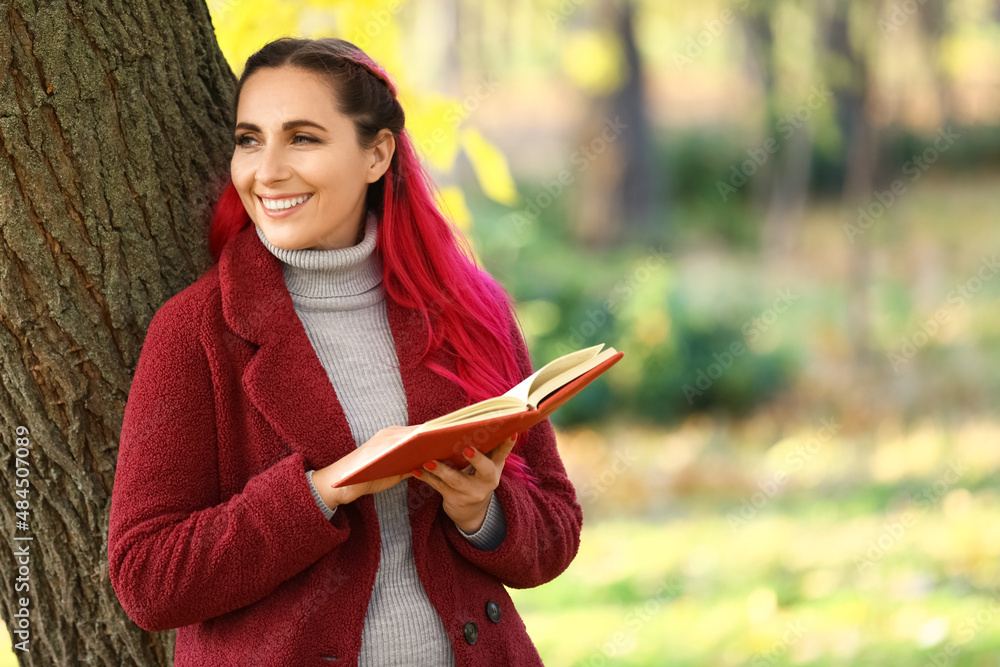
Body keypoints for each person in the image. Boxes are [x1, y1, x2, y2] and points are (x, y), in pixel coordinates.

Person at [107, 36, 582, 667]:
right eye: (249, 139)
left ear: (377, 154)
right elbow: (149, 578)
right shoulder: (195, 330)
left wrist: (483, 513)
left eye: (302, 138)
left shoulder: (469, 308)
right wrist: (322, 491)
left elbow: (555, 532)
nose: (266, 170)